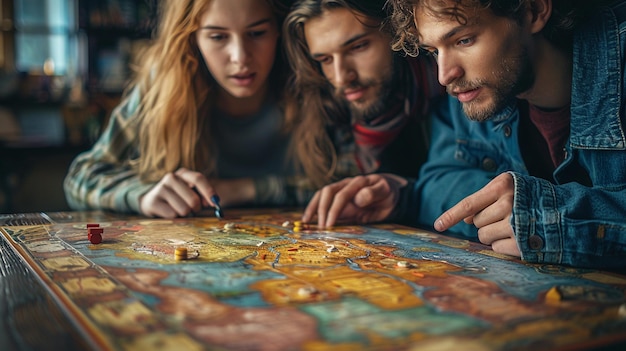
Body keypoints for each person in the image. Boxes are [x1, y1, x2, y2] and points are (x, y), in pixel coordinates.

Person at [305, 0, 626, 268]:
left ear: (533, 11)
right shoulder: (478, 93)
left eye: (463, 41)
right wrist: (404, 195)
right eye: (433, 51)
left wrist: (552, 214)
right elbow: (436, 183)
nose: (445, 76)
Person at [64, 0, 306, 218]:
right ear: (192, 37)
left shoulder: (310, 83)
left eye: (257, 33)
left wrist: (243, 189)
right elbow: (80, 178)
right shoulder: (161, 88)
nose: (240, 57)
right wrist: (142, 195)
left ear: (279, 30)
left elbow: (341, 184)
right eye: (218, 37)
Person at [285, 0, 444, 226]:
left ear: (396, 30)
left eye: (358, 47)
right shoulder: (336, 107)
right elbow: (324, 186)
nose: (341, 78)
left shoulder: (451, 88)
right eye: (325, 60)